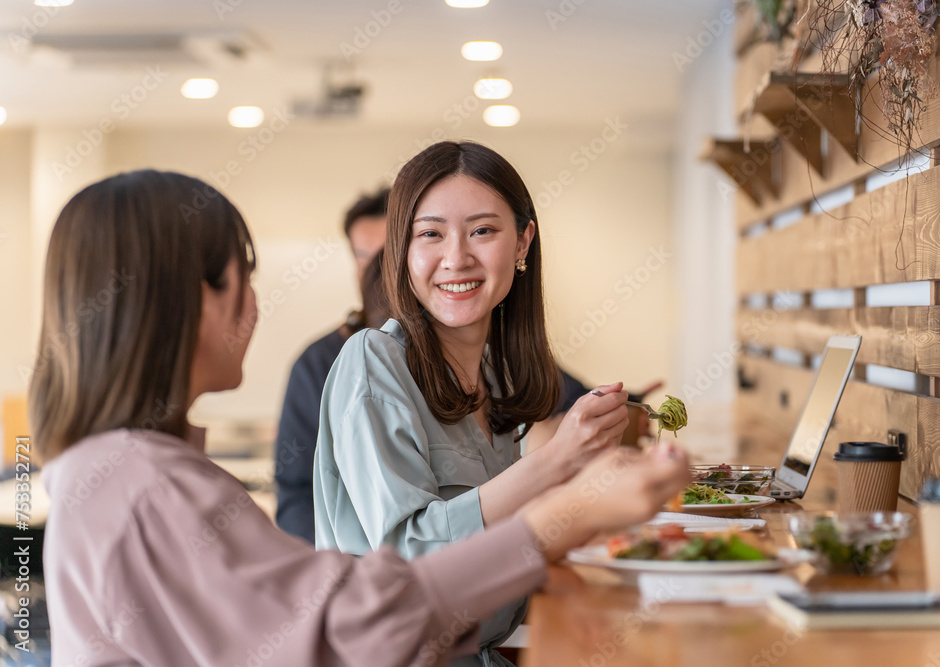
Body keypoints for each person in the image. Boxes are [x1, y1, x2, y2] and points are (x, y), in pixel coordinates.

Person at [30, 169, 691, 666]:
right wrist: (563, 512)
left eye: (482, 231)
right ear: (188, 296)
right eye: (245, 275)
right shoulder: (142, 484)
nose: (256, 302)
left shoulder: (122, 470)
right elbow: (355, 622)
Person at [314, 142, 651, 667]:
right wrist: (558, 460)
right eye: (430, 234)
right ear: (401, 250)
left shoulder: (493, 372)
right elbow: (411, 560)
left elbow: (499, 544)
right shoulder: (372, 360)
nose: (456, 258)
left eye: (482, 230)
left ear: (523, 242)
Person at [274, 188, 389, 543]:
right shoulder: (318, 365)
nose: (376, 273)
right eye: (363, 258)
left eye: (388, 257)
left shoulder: (468, 348)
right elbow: (296, 494)